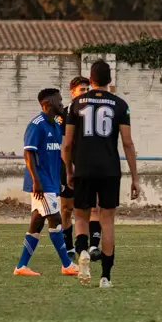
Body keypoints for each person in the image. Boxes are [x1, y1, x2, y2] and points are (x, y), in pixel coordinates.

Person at [62, 60, 140, 288]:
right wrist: (135, 177)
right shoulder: (120, 105)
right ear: (110, 80)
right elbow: (127, 143)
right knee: (107, 221)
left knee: (81, 217)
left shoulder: (75, 104)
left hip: (83, 167)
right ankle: (105, 276)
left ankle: (83, 251)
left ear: (91, 78)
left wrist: (69, 170)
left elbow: (67, 143)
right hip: (109, 169)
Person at [13, 88, 80, 277]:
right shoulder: (37, 125)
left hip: (51, 182)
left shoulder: (56, 126)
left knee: (37, 222)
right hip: (41, 183)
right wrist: (37, 181)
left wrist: (59, 178)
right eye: (59, 101)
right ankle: (67, 265)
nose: (61, 104)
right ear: (49, 103)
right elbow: (28, 153)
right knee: (55, 219)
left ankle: (21, 266)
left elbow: (56, 156)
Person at [59, 76, 94, 262]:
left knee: (87, 207)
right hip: (66, 166)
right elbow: (63, 143)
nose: (85, 92)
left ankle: (85, 245)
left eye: (87, 89)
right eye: (82, 89)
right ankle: (68, 247)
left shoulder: (92, 114)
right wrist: (67, 164)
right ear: (72, 92)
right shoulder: (64, 114)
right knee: (66, 209)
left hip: (86, 167)